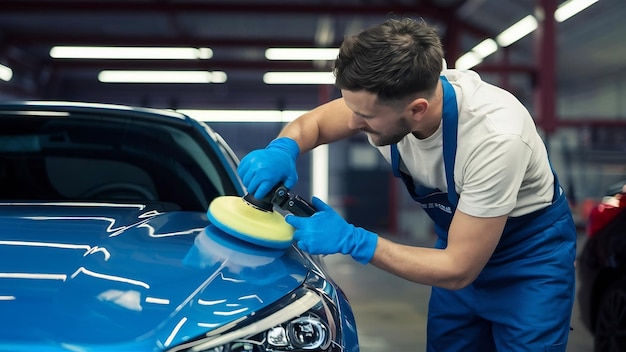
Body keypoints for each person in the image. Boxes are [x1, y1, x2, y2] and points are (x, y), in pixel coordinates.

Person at [237, 17, 577, 352]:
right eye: (351, 107)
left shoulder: (495, 138)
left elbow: (458, 269)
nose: (353, 122)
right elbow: (316, 124)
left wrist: (354, 240)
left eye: (365, 117)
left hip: (529, 263)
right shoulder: (391, 96)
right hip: (455, 247)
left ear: (417, 110)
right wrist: (283, 148)